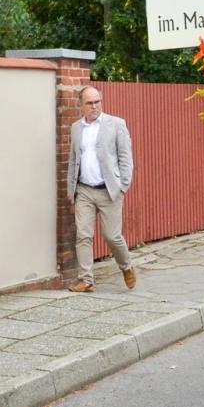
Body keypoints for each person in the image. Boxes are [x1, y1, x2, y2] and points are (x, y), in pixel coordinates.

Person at [66, 87, 135, 293]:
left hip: (109, 191)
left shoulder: (116, 124)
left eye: (97, 101)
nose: (94, 106)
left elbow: (126, 158)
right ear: (81, 105)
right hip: (84, 190)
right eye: (90, 103)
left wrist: (123, 185)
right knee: (83, 235)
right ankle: (86, 279)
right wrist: (72, 190)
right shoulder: (76, 128)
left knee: (112, 236)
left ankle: (127, 266)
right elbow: (73, 159)